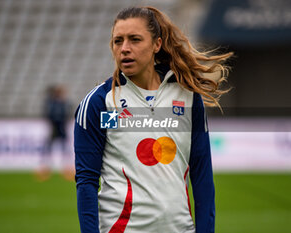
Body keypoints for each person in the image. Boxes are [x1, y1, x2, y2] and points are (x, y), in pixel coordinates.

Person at [74, 6, 232, 233]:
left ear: (157, 44)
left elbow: (202, 176)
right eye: (118, 41)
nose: (124, 49)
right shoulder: (102, 103)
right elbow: (87, 181)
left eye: (135, 39)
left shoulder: (187, 97)